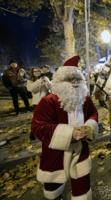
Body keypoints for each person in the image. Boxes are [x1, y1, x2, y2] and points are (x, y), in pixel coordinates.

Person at [31, 55, 99, 200]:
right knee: (53, 189)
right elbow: (38, 126)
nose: (75, 82)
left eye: (78, 79)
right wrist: (69, 133)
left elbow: (93, 113)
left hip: (80, 149)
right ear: (60, 81)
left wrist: (89, 126)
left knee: (82, 189)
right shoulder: (48, 101)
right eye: (70, 79)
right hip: (54, 153)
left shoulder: (85, 98)